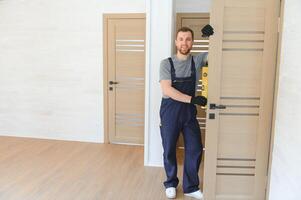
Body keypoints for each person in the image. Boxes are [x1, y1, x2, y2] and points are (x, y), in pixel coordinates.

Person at [159, 25, 214, 199]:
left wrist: (211, 37)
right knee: (169, 148)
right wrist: (192, 99)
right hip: (170, 112)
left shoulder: (197, 61)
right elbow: (167, 90)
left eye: (188, 39)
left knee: (195, 148)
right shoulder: (166, 63)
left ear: (192, 42)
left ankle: (190, 186)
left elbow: (216, 55)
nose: (184, 42)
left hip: (189, 113)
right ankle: (171, 183)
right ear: (176, 42)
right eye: (181, 39)